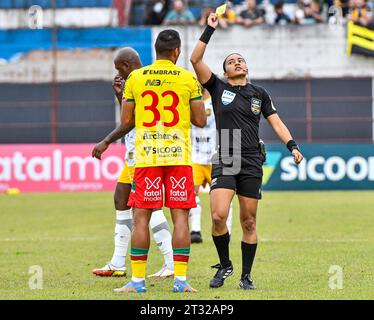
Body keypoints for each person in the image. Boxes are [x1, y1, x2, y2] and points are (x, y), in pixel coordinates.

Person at [190, 13, 304, 290]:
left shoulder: (259, 93)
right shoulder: (218, 87)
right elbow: (195, 60)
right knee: (218, 215)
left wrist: (293, 146)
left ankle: (246, 276)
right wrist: (209, 29)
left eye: (241, 59)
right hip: (226, 154)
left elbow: (275, 122)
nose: (238, 62)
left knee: (249, 221)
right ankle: (225, 265)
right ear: (226, 72)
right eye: (232, 61)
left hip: (253, 158)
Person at [113, 30, 206, 293]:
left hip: (147, 156)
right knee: (180, 218)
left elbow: (126, 122)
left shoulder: (136, 78)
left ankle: (138, 282)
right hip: (178, 155)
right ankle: (180, 280)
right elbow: (200, 121)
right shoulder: (188, 78)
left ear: (155, 50)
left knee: (141, 217)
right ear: (176, 52)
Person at [91, 48, 174, 279]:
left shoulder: (141, 79)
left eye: (119, 68)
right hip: (134, 152)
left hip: (145, 151)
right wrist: (120, 94)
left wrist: (106, 141)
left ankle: (170, 263)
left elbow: (134, 120)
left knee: (149, 206)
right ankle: (117, 262)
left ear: (127, 65)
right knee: (120, 199)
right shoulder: (137, 81)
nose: (118, 72)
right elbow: (132, 115)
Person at [190, 89, 233, 244]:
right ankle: (195, 231)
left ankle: (227, 231)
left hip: (217, 157)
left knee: (224, 196)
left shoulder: (217, 101)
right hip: (195, 156)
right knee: (191, 193)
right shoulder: (191, 103)